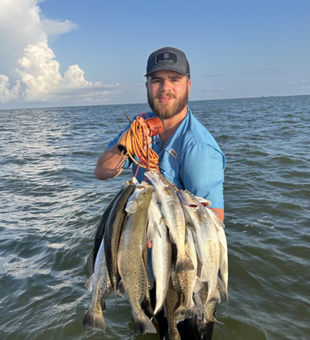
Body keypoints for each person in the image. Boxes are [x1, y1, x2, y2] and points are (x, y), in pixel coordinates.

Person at [94, 47, 226, 339]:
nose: (164, 88)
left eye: (174, 79)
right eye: (157, 80)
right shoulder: (140, 127)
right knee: (149, 329)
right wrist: (124, 146)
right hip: (145, 268)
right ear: (147, 86)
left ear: (188, 85)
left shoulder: (198, 148)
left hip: (187, 277)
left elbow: (213, 223)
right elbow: (101, 171)